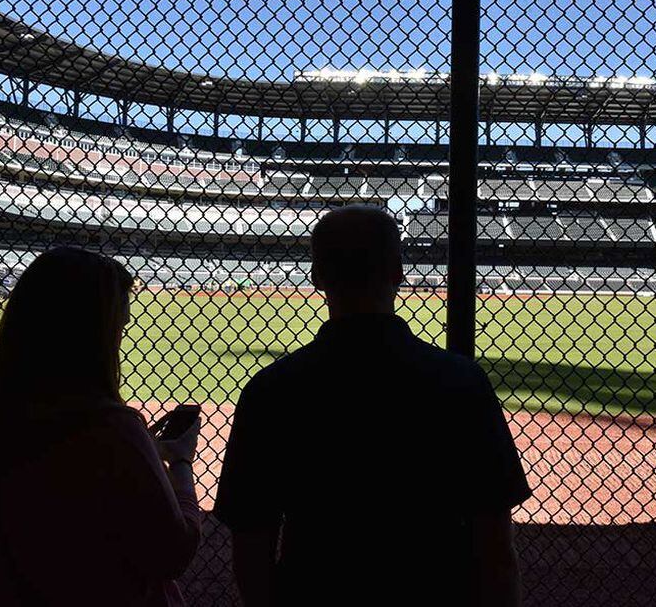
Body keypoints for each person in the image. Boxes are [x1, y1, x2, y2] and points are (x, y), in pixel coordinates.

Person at [215, 205, 532, 607]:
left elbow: (251, 556)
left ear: (316, 276)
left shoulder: (271, 391)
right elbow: (496, 551)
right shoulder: (463, 383)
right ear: (399, 273)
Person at [0, 248, 201, 606]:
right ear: (94, 334)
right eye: (117, 327)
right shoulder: (111, 430)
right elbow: (173, 552)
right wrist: (179, 464)